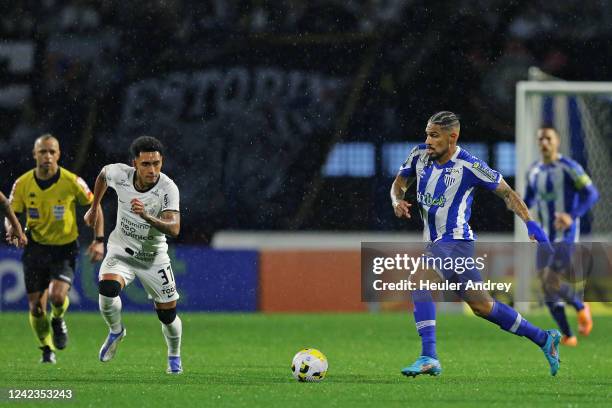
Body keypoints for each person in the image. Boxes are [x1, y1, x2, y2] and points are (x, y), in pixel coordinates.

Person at [390, 111, 561, 377]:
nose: (428, 140)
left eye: (434, 135)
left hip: (455, 240)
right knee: (483, 307)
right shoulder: (419, 155)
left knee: (419, 282)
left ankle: (429, 356)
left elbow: (507, 193)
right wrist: (396, 201)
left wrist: (530, 222)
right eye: (427, 133)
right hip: (439, 242)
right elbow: (399, 184)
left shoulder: (469, 165)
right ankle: (543, 338)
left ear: (452, 137)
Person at [84, 136, 183, 374]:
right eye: (146, 164)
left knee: (168, 316)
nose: (152, 170)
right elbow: (102, 176)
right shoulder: (120, 174)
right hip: (121, 248)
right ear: (134, 163)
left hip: (153, 256)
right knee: (107, 290)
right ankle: (116, 330)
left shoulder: (167, 188)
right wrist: (94, 206)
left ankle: (174, 355)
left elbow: (175, 228)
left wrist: (148, 216)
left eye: (157, 164)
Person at [4, 134, 105, 364]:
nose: (47, 156)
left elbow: (95, 206)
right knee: (36, 309)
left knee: (58, 297)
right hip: (35, 249)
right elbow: (11, 214)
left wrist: (99, 239)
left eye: (52, 151)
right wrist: (11, 228)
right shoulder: (23, 183)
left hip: (64, 249)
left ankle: (58, 319)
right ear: (35, 155)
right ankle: (46, 349)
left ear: (58, 154)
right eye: (43, 152)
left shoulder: (71, 181)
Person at [524, 126, 599, 346]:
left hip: (565, 235)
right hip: (544, 236)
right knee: (547, 288)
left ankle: (580, 306)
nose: (544, 142)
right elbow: (527, 203)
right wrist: (530, 225)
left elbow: (592, 194)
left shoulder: (569, 167)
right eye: (540, 139)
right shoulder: (533, 171)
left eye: (548, 138)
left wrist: (571, 215)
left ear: (557, 141)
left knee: (550, 280)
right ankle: (569, 335)